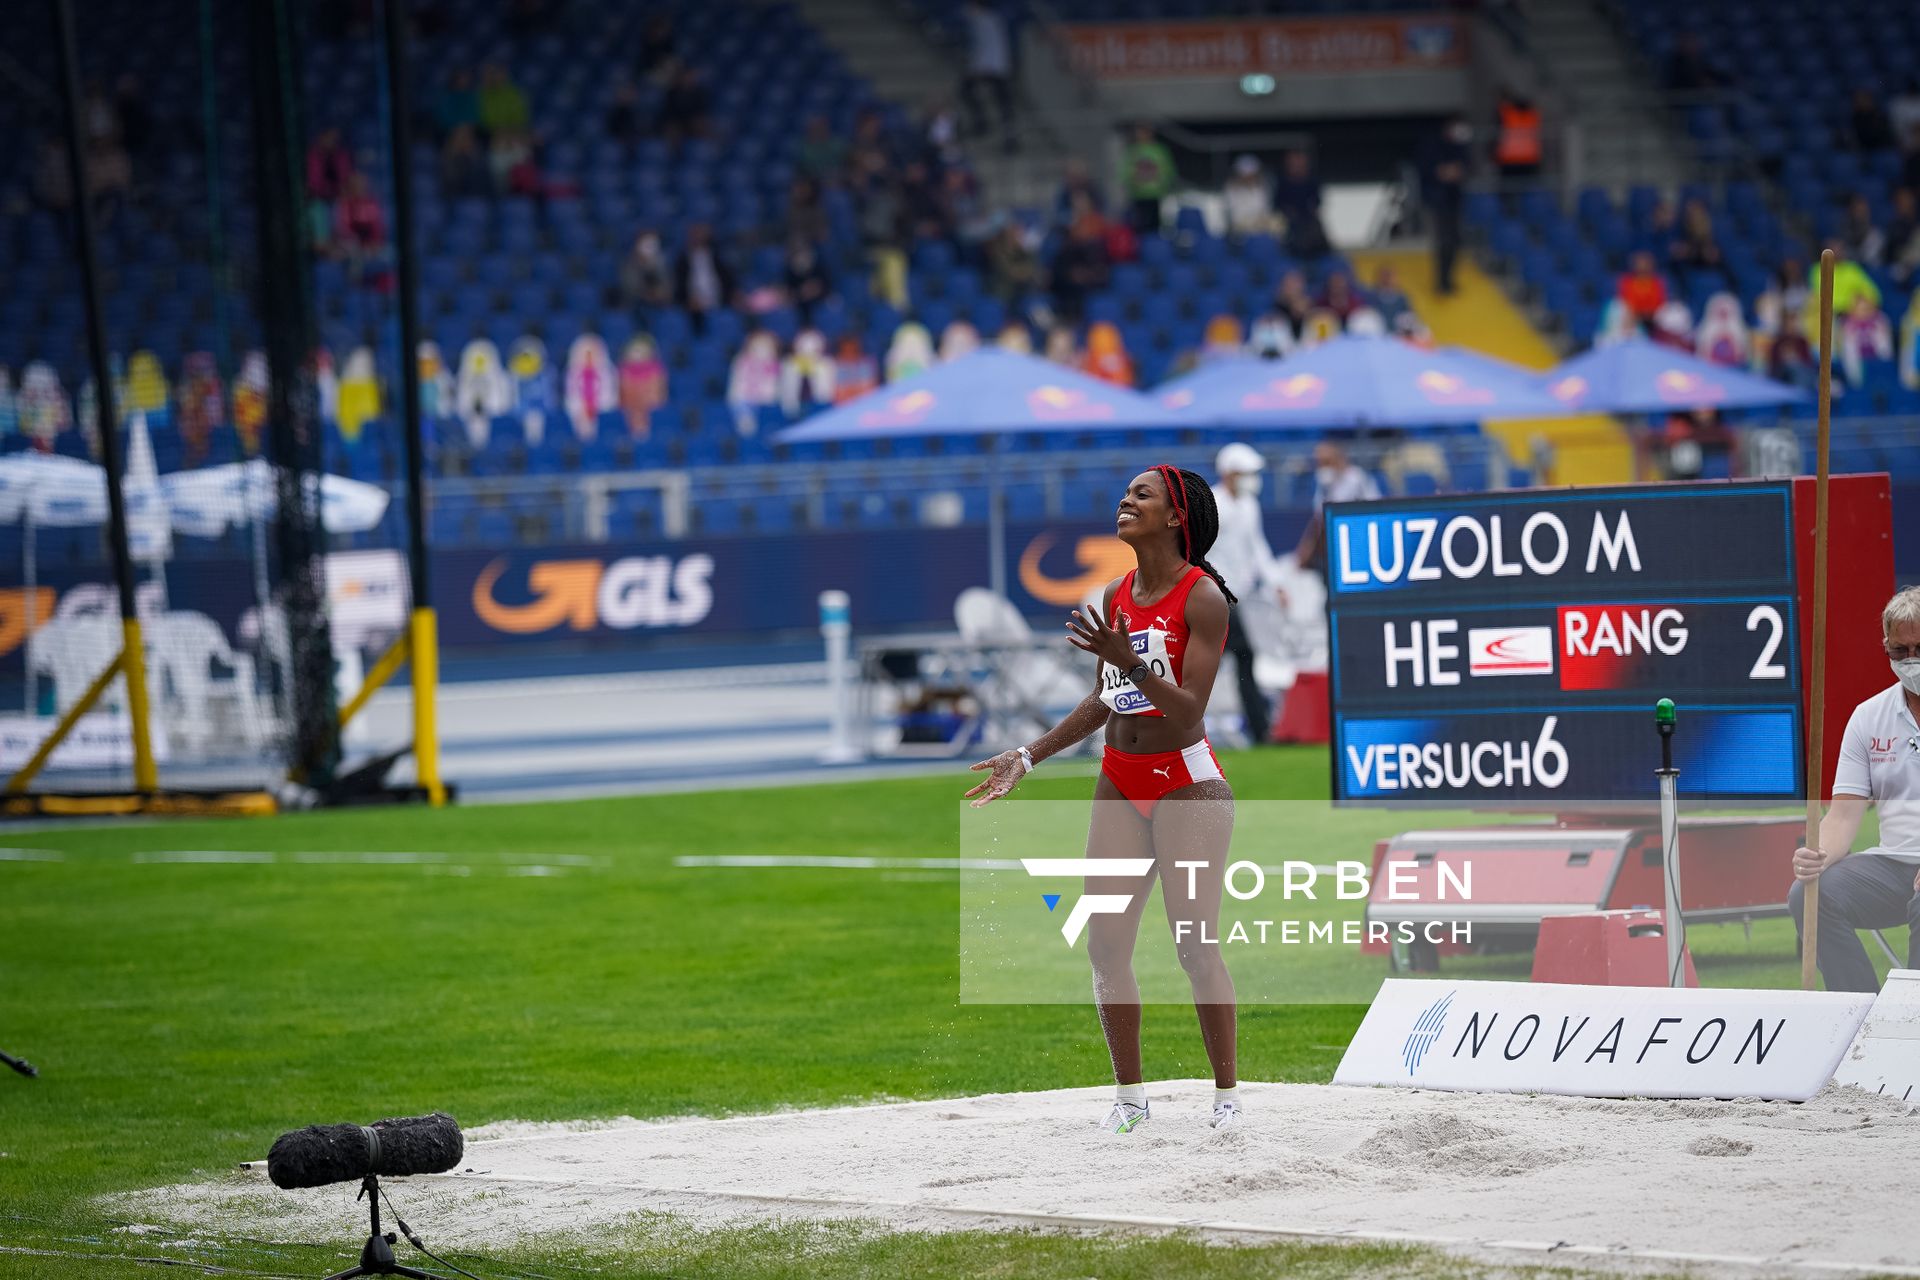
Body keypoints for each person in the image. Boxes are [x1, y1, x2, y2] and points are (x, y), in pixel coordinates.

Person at [965, 465, 1242, 1133]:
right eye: (1125, 492)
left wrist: (1133, 657)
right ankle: (1129, 1102)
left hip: (1186, 782)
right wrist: (1028, 755)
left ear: (1176, 515)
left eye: (1141, 494)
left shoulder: (1203, 599)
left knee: (1194, 946)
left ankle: (1227, 1097)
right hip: (1119, 778)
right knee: (1105, 946)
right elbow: (1104, 699)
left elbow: (1188, 714)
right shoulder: (1119, 593)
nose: (1125, 500)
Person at [1789, 587, 1920, 992]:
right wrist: (1816, 853)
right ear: (1886, 648)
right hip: (1895, 866)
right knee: (1807, 894)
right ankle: (1860, 1018)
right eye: (1901, 651)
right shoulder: (1868, 716)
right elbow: (1844, 815)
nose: (1912, 660)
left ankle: (1910, 1018)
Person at [1210, 443, 1280, 745]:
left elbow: (1258, 548)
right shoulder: (1213, 504)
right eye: (1246, 472)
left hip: (1237, 597)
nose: (1252, 478)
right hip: (1215, 595)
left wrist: (1276, 582)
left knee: (1239, 658)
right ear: (1229, 474)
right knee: (1241, 656)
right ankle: (1259, 729)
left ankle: (1259, 728)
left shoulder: (1249, 505)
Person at [1293, 439, 1380, 571]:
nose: (1322, 466)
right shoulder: (1323, 483)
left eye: (1326, 462)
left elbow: (1376, 507)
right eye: (1319, 462)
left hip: (1359, 544)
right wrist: (1305, 550)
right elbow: (1318, 518)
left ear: (1338, 459)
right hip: (1332, 548)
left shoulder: (1357, 478)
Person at [961, 0, 1014, 149]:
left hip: (989, 66)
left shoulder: (981, 21)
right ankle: (1007, 135)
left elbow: (984, 46)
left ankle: (983, 123)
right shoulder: (994, 18)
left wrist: (976, 68)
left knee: (966, 91)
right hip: (999, 67)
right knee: (1003, 103)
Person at [1426, 116, 1468, 295]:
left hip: (1454, 201)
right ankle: (1442, 282)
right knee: (1444, 241)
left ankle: (1449, 280)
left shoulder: (1460, 148)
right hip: (1439, 201)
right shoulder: (1433, 147)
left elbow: (1463, 168)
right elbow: (1435, 171)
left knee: (1455, 241)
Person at [675, 222, 736, 332]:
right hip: (693, 306)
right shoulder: (682, 261)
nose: (698, 239)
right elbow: (679, 286)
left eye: (701, 235)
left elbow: (728, 281)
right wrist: (688, 301)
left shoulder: (718, 258)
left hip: (718, 301)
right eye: (695, 235)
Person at [1273, 149, 1328, 260]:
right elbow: (1278, 204)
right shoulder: (1282, 182)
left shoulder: (1312, 181)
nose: (1296, 166)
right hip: (1289, 223)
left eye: (1299, 162)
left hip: (1308, 222)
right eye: (1293, 163)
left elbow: (1316, 203)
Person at [1122, 122, 1176, 234]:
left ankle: (1154, 249)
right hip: (1138, 197)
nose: (1141, 135)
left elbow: (1168, 172)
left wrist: (1159, 182)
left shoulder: (1159, 150)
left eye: (1144, 132)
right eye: (1139, 132)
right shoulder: (1132, 151)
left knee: (1155, 228)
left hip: (1156, 196)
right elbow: (1125, 174)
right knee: (1139, 228)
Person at [1493, 89, 1542, 179]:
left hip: (1509, 159)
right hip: (1529, 157)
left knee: (1510, 188)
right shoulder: (1533, 115)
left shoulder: (1506, 113)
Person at [1222, 154, 1271, 237]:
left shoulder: (1261, 189)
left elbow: (1265, 210)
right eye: (1246, 174)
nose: (1249, 178)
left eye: (1252, 174)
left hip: (1260, 230)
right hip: (1238, 232)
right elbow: (1234, 216)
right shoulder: (1230, 189)